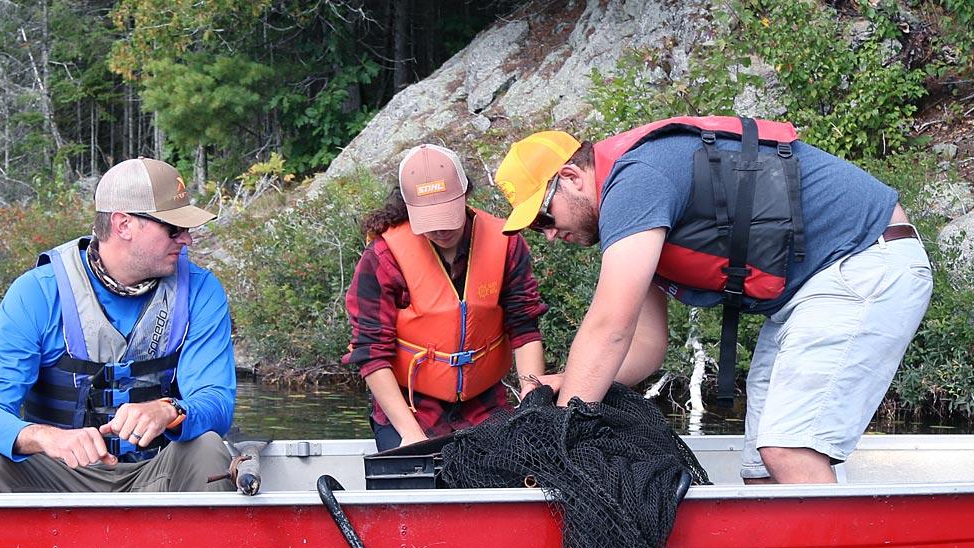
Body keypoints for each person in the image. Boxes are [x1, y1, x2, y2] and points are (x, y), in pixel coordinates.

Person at [495, 117, 932, 484]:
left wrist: (564, 426)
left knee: (788, 449)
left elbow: (610, 328)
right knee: (760, 469)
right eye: (536, 228)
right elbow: (645, 345)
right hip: (815, 290)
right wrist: (567, 381)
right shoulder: (636, 216)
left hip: (866, 261)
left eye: (544, 217)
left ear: (571, 178)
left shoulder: (636, 181)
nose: (548, 234)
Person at [0, 157, 236, 493]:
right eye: (174, 229)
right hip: (58, 475)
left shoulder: (202, 290)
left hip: (156, 472)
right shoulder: (37, 292)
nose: (186, 240)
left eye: (187, 229)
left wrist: (169, 410)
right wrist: (43, 437)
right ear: (123, 224)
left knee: (209, 450)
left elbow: (216, 402)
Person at [342, 144, 548, 449]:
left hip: (486, 405)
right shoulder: (383, 257)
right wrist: (410, 435)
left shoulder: (506, 243)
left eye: (446, 213)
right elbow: (371, 353)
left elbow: (524, 328)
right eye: (428, 218)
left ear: (465, 192)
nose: (440, 228)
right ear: (408, 208)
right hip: (411, 407)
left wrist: (533, 405)